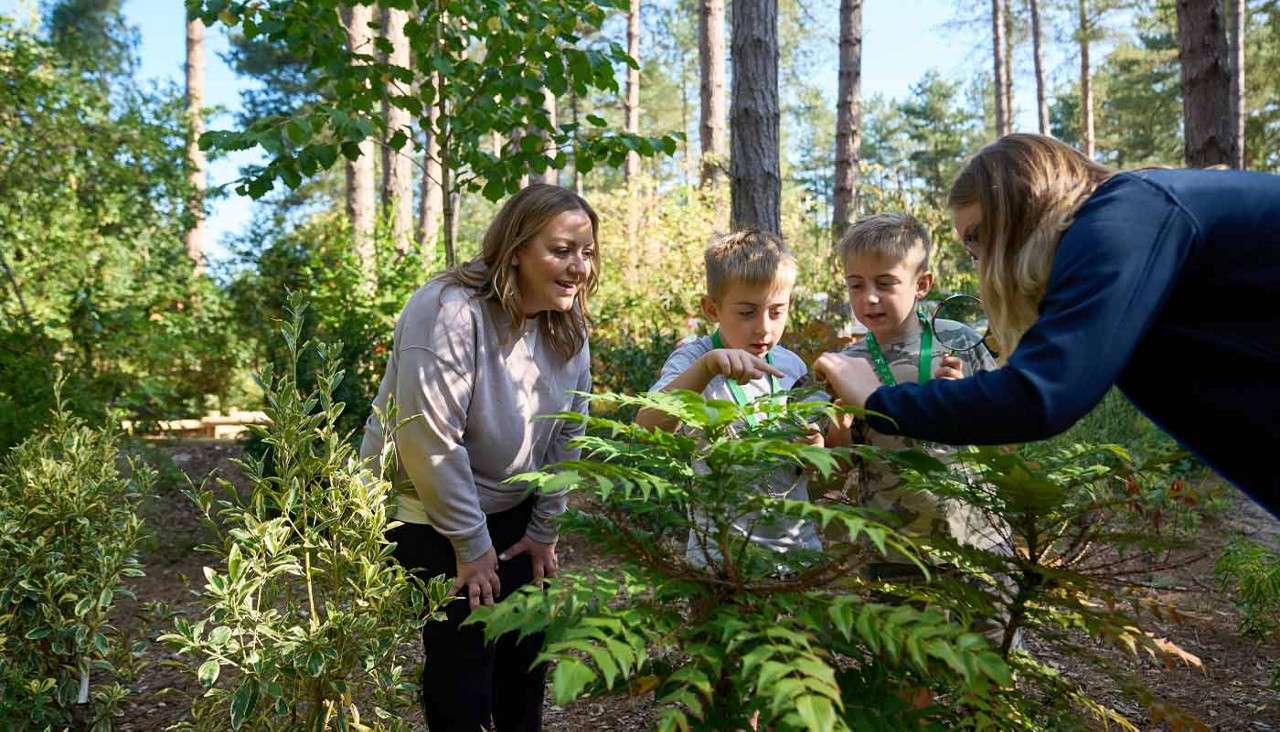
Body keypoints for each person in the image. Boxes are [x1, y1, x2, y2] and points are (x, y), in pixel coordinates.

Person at [813, 133, 1280, 514]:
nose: (978, 262)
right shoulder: (1132, 226)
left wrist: (876, 399)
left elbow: (1039, 396)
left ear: (1021, 206)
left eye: (978, 239)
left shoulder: (1125, 215)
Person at [360, 184, 596, 731]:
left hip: (514, 510)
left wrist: (545, 530)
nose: (578, 267)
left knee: (524, 660)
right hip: (431, 513)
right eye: (561, 251)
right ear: (516, 248)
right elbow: (429, 440)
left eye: (586, 253)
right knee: (465, 667)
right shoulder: (447, 310)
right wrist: (471, 547)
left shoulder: (568, 326)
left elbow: (569, 436)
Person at [827, 213, 1003, 577]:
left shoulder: (956, 340)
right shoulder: (848, 365)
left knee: (990, 635)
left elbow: (1006, 432)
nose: (869, 298)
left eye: (885, 283)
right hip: (892, 549)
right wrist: (840, 427)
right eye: (856, 285)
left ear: (922, 284)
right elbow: (841, 464)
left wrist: (963, 401)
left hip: (978, 539)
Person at [636, 230, 824, 569]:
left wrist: (813, 443)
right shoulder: (695, 360)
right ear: (712, 308)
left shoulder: (791, 365)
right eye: (747, 312)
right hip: (719, 557)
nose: (763, 328)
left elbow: (809, 460)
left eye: (776, 312)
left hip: (795, 553)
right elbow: (645, 427)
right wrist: (706, 369)